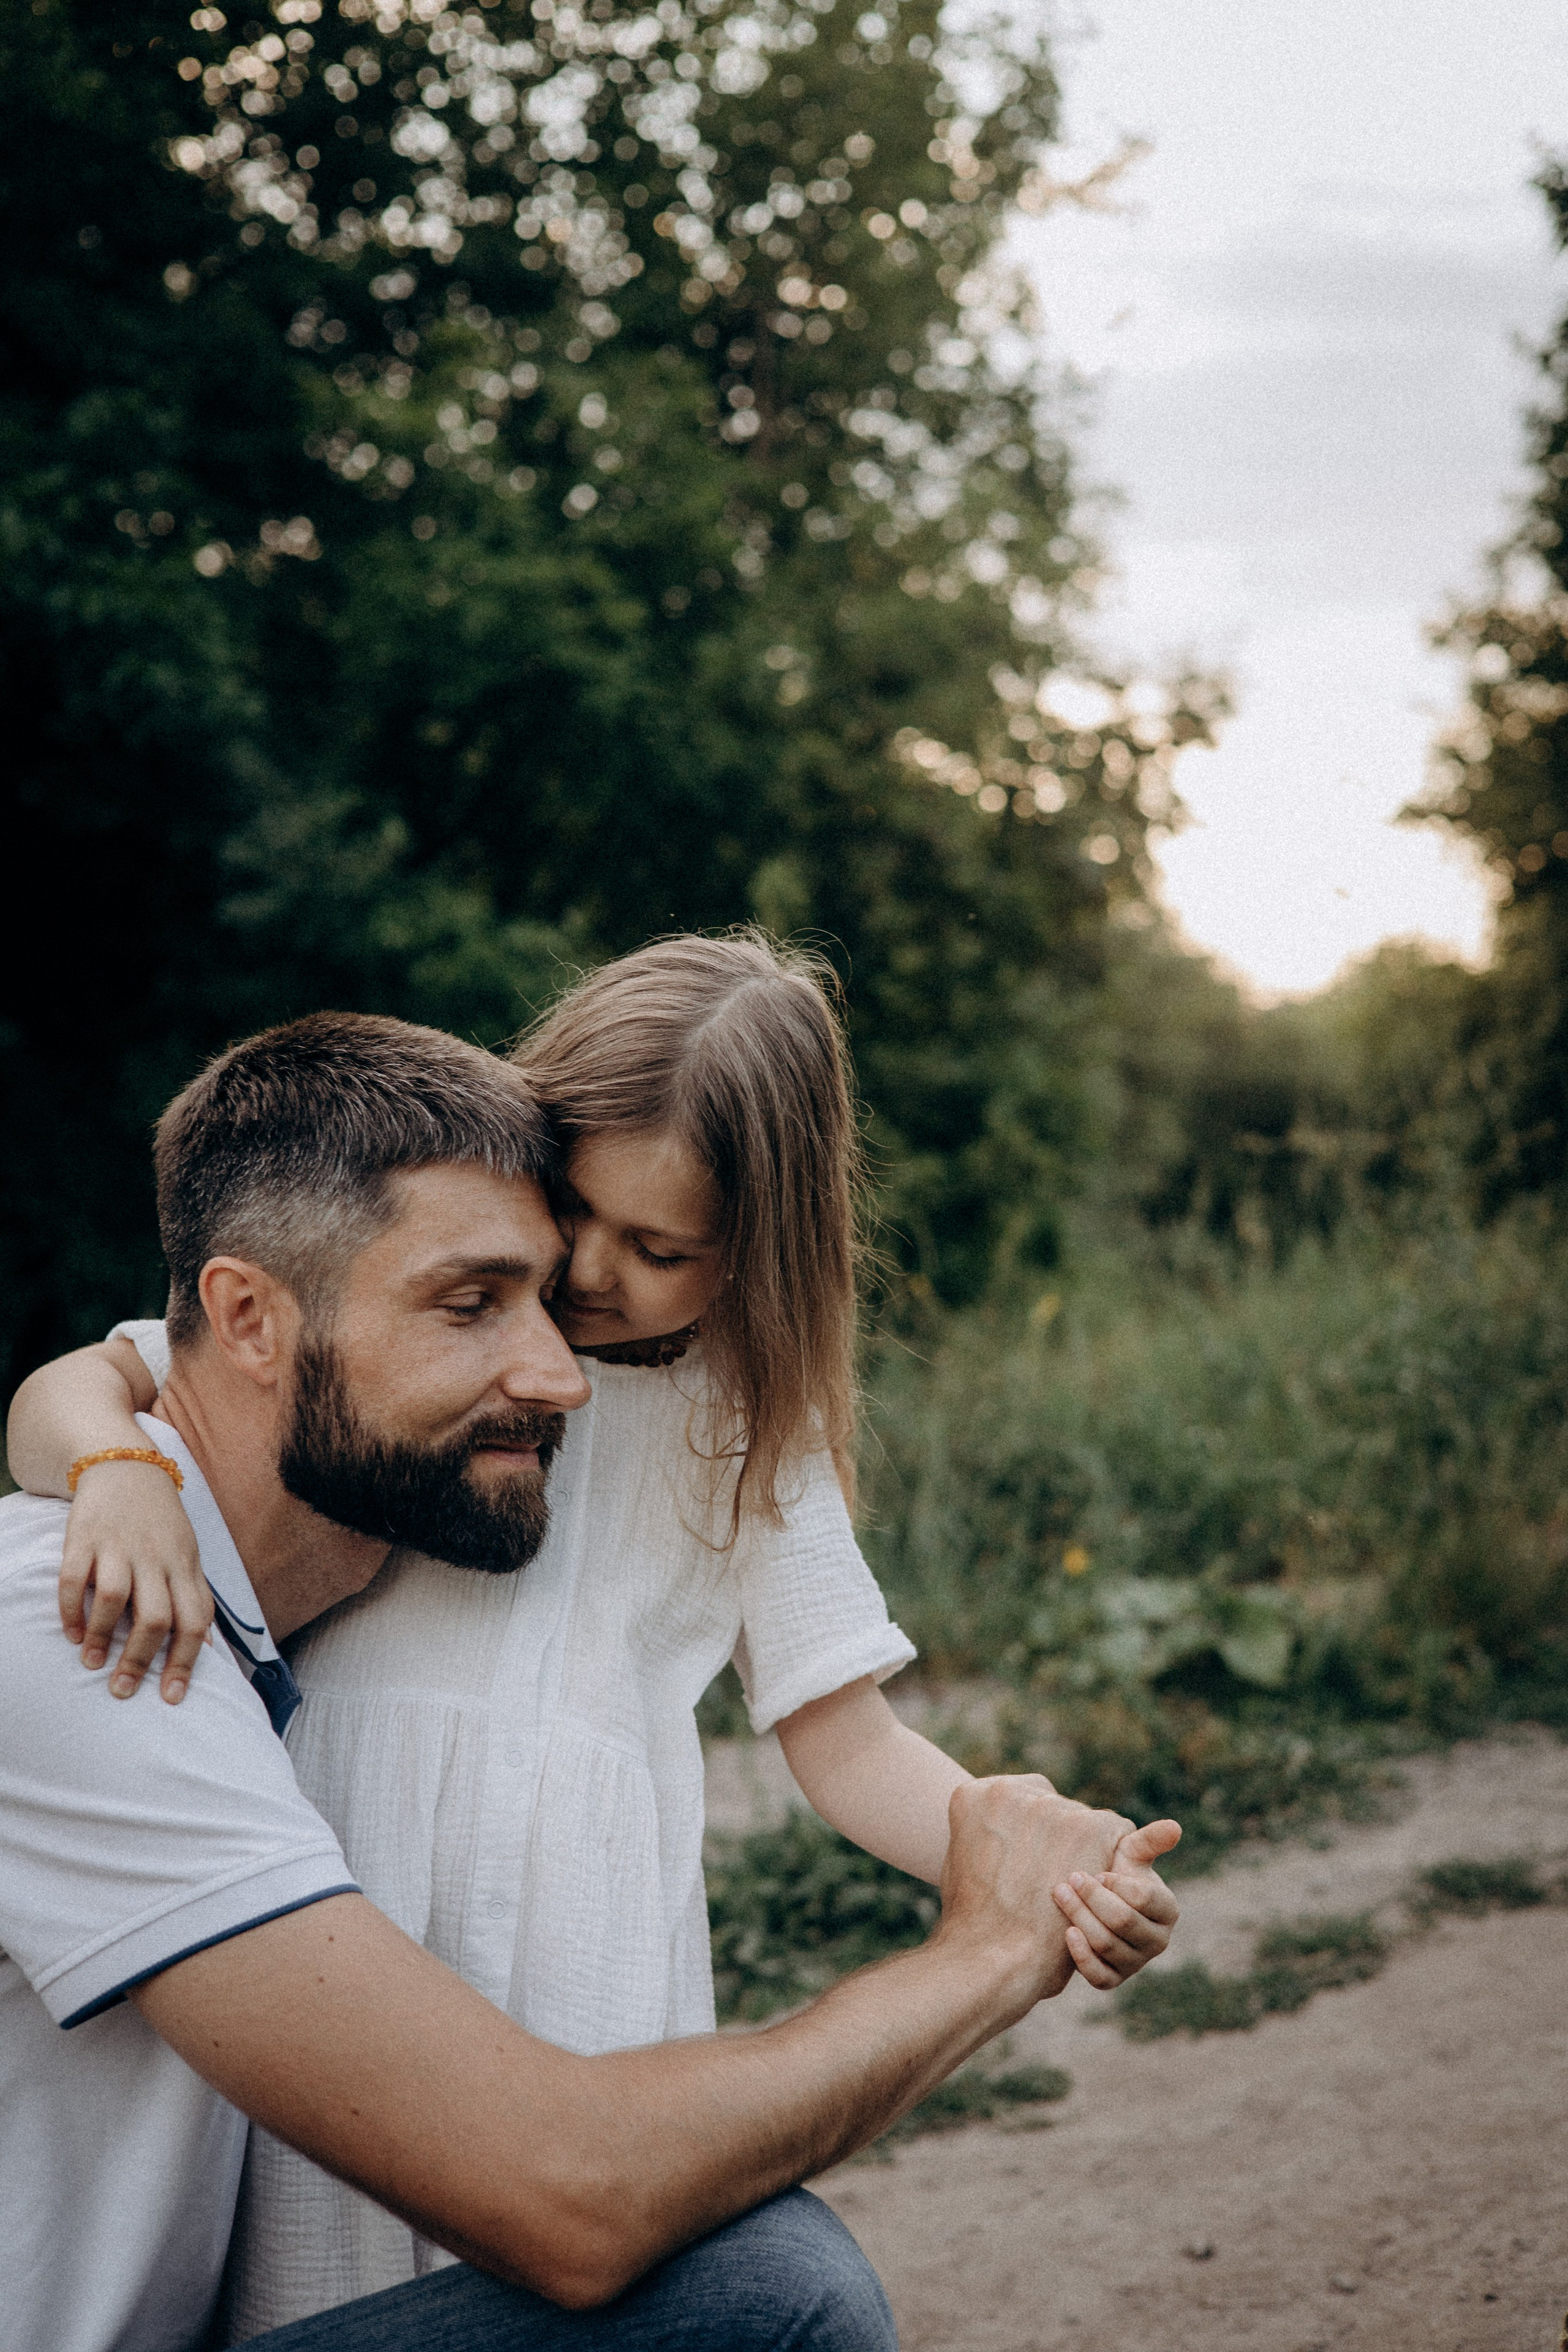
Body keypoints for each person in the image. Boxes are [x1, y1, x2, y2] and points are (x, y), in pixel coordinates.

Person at [7, 992, 1180, 2346]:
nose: (583, 1296)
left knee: (639, 2209)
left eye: (662, 1249)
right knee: (366, 2233)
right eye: (570, 1222)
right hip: (355, 1884)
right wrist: (116, 1468)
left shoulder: (741, 1428)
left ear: (749, 1255)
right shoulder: (335, 1397)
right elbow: (115, 1376)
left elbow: (846, 1736)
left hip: (577, 1925)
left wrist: (1035, 1864)